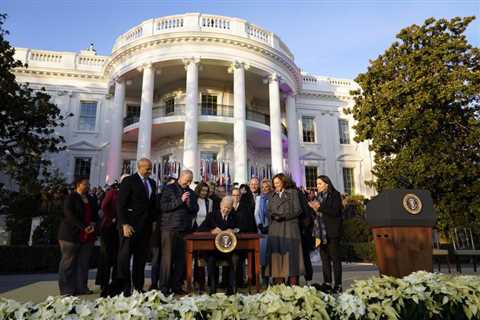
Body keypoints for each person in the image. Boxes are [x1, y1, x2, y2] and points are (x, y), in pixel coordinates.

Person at [116, 158, 157, 296]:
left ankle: (138, 287)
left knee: (140, 259)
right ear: (140, 167)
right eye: (147, 168)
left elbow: (151, 206)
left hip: (145, 228)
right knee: (125, 257)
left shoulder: (152, 183)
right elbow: (120, 205)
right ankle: (124, 287)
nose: (150, 171)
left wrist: (154, 222)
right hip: (130, 226)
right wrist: (124, 224)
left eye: (150, 168)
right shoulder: (129, 181)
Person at [159, 169, 199, 295]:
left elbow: (195, 209)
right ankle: (164, 288)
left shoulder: (191, 193)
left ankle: (176, 286)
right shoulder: (169, 188)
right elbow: (163, 207)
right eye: (187, 180)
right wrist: (180, 200)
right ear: (180, 177)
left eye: (190, 181)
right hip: (170, 229)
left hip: (185, 230)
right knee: (167, 259)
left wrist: (188, 204)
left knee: (181, 260)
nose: (188, 183)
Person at [58, 177, 99, 296]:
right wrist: (83, 227)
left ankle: (82, 287)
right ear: (78, 185)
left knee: (83, 263)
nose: (87, 186)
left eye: (88, 184)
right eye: (85, 184)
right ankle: (67, 290)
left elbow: (95, 214)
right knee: (68, 263)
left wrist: (92, 224)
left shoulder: (91, 198)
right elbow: (69, 214)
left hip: (88, 236)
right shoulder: (71, 197)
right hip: (70, 235)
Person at [265, 173, 304, 285]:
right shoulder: (271, 195)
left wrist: (284, 216)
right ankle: (279, 283)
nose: (276, 185)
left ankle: (293, 283)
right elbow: (268, 210)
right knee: (277, 255)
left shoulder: (293, 193)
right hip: (276, 228)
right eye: (274, 183)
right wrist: (272, 216)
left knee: (292, 255)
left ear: (284, 182)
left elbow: (298, 210)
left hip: (289, 227)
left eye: (278, 182)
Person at [308, 175, 343, 293]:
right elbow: (318, 215)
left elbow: (335, 211)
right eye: (317, 184)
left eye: (320, 184)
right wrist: (313, 209)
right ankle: (327, 282)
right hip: (321, 232)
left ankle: (338, 284)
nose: (317, 186)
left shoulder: (335, 194)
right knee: (325, 259)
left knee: (335, 258)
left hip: (332, 231)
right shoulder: (319, 196)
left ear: (327, 184)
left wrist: (320, 207)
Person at [199, 196, 239, 295]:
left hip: (228, 249)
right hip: (213, 249)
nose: (226, 210)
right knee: (211, 259)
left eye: (229, 208)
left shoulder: (234, 216)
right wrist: (211, 231)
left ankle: (230, 289)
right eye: (225, 207)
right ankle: (213, 288)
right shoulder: (211, 215)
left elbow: (242, 227)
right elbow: (200, 229)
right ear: (221, 205)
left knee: (235, 258)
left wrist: (234, 230)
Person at [285, 177, 314, 285]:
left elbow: (304, 212)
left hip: (299, 230)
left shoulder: (295, 194)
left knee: (299, 257)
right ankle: (295, 279)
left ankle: (296, 280)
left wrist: (301, 228)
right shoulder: (294, 193)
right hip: (296, 229)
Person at [96, 182, 120, 297]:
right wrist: (112, 218)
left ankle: (114, 283)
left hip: (118, 229)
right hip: (108, 227)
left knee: (116, 258)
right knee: (106, 257)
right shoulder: (112, 193)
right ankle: (103, 283)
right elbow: (104, 206)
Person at [193, 181, 213, 291]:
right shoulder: (194, 199)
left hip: (205, 232)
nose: (204, 193)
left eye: (206, 191)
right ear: (198, 190)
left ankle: (203, 282)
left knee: (203, 257)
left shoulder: (209, 201)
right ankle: (196, 281)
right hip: (194, 231)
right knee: (196, 258)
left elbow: (209, 217)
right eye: (202, 190)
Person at [254, 178, 272, 285]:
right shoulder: (258, 198)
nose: (265, 189)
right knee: (263, 255)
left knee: (272, 254)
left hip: (272, 229)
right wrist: (260, 225)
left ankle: (274, 278)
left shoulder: (273, 197)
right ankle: (264, 279)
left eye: (267, 187)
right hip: (262, 230)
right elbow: (256, 213)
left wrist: (270, 226)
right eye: (263, 187)